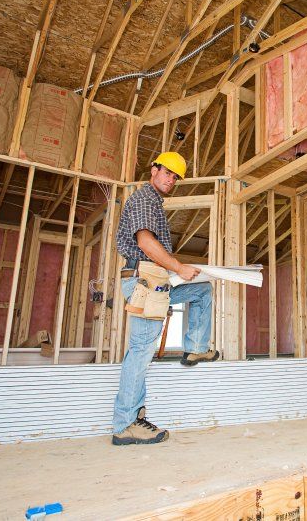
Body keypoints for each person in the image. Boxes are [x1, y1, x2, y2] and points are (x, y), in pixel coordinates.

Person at [111, 151, 219, 446]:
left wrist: (175, 272)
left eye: (175, 176)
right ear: (154, 169)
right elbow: (145, 243)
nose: (170, 179)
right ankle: (125, 424)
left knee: (202, 290)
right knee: (141, 350)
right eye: (167, 172)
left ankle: (195, 349)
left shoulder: (154, 202)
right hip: (144, 283)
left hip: (154, 281)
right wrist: (179, 268)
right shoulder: (144, 198)